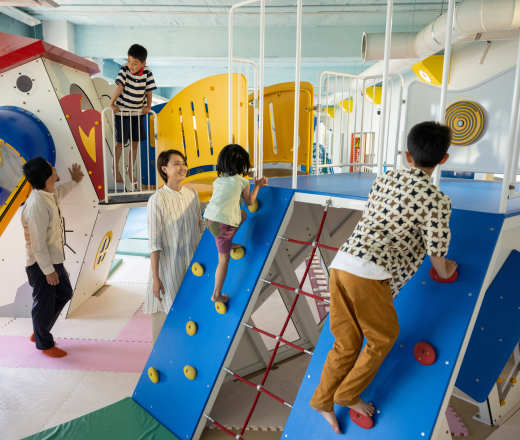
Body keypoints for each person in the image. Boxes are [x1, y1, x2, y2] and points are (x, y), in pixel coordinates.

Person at [310, 121, 458, 434]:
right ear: (444, 159)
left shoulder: (385, 179)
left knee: (347, 341)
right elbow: (436, 250)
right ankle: (347, 395)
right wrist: (447, 270)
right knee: (383, 337)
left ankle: (322, 400)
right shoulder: (437, 199)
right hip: (368, 272)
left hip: (342, 262)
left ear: (407, 156)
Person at [21, 158, 84, 358]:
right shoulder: (36, 205)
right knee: (43, 304)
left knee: (65, 293)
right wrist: (48, 271)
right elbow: (37, 244)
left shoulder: (48, 193)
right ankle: (44, 344)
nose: (54, 167)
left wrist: (74, 181)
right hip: (41, 264)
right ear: (46, 177)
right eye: (51, 167)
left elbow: (60, 192)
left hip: (53, 260)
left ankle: (40, 330)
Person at [145, 149, 205, 344]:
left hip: (193, 263)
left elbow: (201, 226)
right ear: (164, 169)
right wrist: (156, 278)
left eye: (184, 163)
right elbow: (154, 242)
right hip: (168, 269)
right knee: (165, 319)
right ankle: (162, 357)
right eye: (177, 163)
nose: (183, 167)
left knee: (193, 312)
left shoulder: (192, 195)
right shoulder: (157, 199)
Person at [203, 144, 268, 304]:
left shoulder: (219, 180)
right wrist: (257, 186)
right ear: (242, 165)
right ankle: (216, 294)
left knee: (242, 214)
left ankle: (228, 241)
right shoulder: (243, 181)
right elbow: (250, 201)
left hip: (209, 220)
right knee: (223, 261)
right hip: (222, 225)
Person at [109, 44, 157, 187]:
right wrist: (112, 104)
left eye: (135, 63)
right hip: (123, 111)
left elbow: (149, 91)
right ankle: (114, 167)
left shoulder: (147, 72)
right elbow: (120, 87)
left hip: (137, 112)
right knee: (120, 142)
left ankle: (130, 169)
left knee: (135, 143)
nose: (130, 65)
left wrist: (148, 106)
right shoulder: (124, 68)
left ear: (143, 63)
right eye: (129, 60)